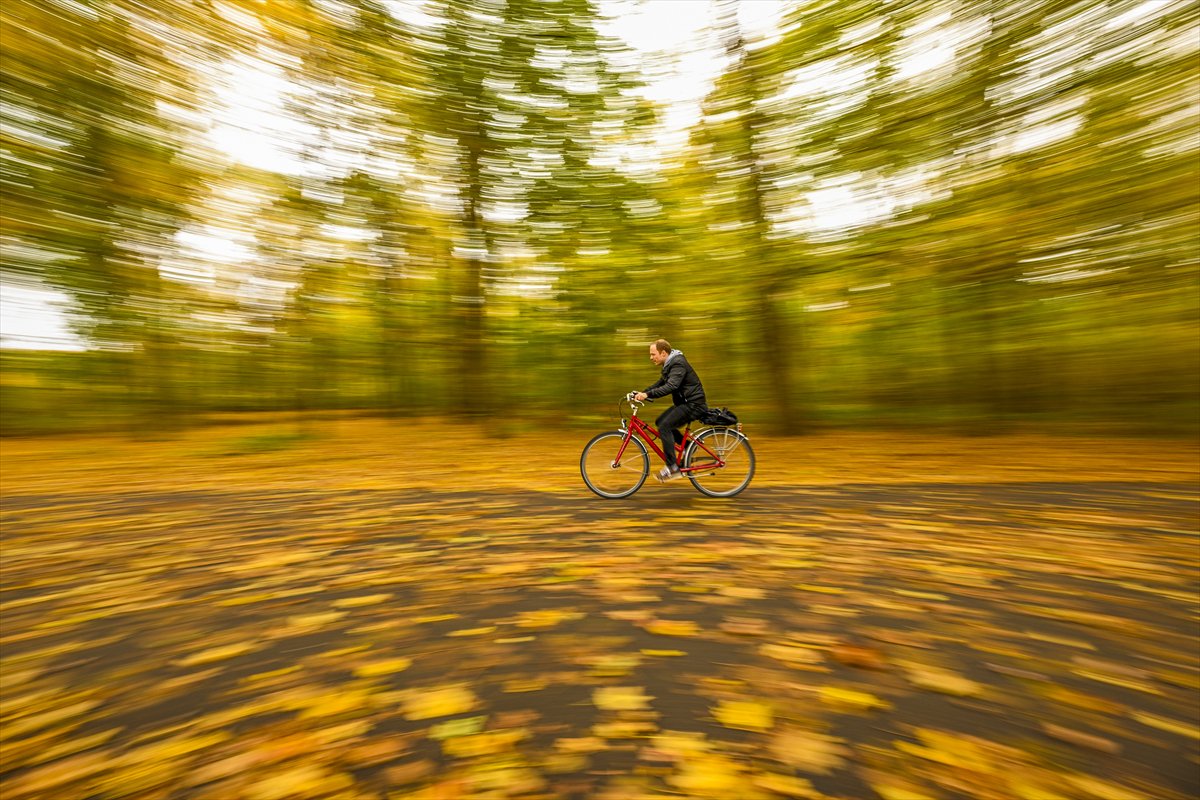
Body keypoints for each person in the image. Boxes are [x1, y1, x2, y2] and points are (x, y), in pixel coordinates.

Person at [635, 339, 707, 482]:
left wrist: (648, 395)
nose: (651, 358)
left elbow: (671, 386)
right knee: (660, 421)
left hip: (694, 404)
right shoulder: (669, 364)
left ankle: (672, 467)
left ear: (663, 353)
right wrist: (641, 393)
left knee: (665, 427)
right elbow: (660, 383)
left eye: (653, 354)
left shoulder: (678, 363)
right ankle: (688, 448)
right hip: (686, 404)